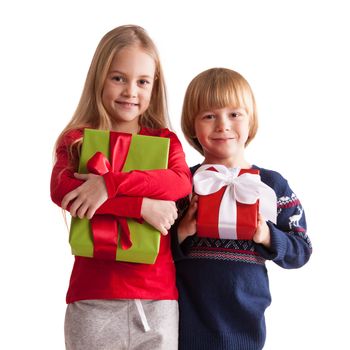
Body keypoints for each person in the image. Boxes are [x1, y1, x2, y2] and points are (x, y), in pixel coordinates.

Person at [50, 25, 192, 350]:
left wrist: (109, 184)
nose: (131, 91)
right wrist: (141, 207)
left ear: (154, 87)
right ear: (99, 78)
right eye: (118, 78)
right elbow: (64, 192)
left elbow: (180, 183)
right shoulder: (76, 140)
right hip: (93, 298)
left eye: (142, 81)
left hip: (157, 299)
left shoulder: (165, 142)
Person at [171, 67, 312, 350]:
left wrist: (267, 236)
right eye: (209, 115)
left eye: (234, 114)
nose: (222, 125)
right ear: (192, 125)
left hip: (247, 329)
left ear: (251, 119)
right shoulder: (182, 182)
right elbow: (153, 249)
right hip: (186, 326)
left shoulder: (271, 185)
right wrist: (181, 233)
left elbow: (302, 249)